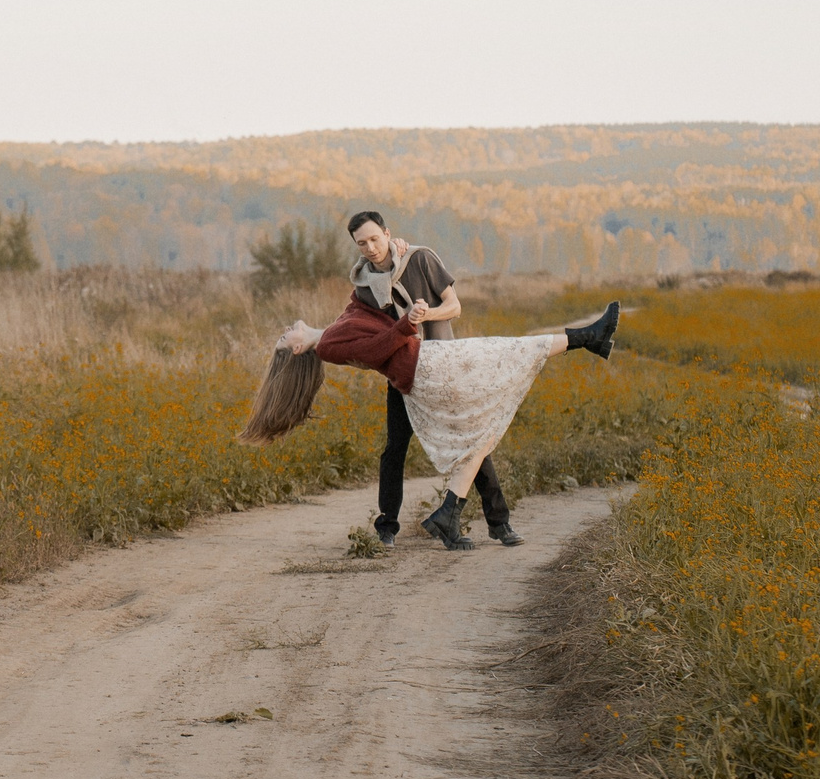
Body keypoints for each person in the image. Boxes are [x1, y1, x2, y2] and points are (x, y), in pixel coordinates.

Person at [236, 233, 620, 552]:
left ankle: (473, 519)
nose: (287, 329)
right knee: (500, 368)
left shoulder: (336, 325)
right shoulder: (329, 344)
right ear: (298, 350)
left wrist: (395, 254)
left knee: (476, 432)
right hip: (418, 370)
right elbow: (373, 349)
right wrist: (406, 324)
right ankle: (397, 525)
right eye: (286, 339)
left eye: (373, 238)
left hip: (416, 368)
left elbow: (369, 293)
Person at [340, 211, 517, 547]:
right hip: (403, 373)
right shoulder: (364, 287)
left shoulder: (420, 259)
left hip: (443, 369)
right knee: (395, 449)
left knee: (472, 442)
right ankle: (387, 527)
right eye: (361, 243)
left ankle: (499, 523)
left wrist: (423, 316)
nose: (370, 247)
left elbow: (455, 306)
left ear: (387, 233)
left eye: (375, 238)